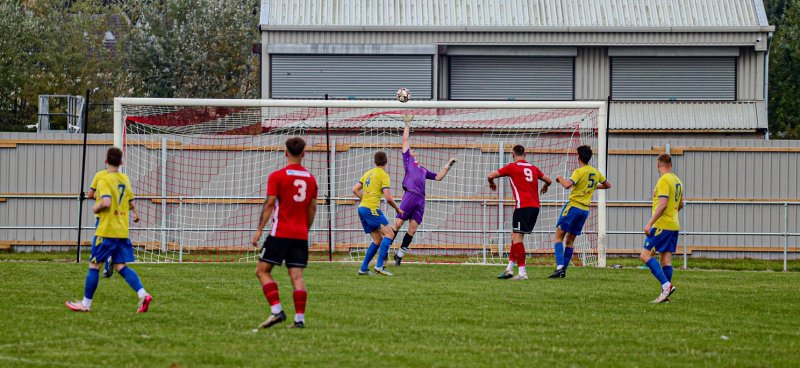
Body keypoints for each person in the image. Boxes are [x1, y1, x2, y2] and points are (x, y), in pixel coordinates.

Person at [66, 147, 150, 313]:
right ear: (121, 162)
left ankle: (85, 304)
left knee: (94, 265)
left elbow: (105, 202)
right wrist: (135, 213)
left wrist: (96, 208)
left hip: (106, 230)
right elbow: (131, 201)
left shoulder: (104, 179)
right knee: (120, 266)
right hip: (121, 230)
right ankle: (143, 294)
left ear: (106, 161)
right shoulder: (124, 179)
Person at [252, 137, 318, 329]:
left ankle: (276, 310)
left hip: (280, 232)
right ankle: (299, 320)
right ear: (304, 153)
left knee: (262, 271)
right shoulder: (311, 179)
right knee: (297, 276)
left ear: (285, 152)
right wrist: (306, 228)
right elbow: (312, 208)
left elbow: (270, 204)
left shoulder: (278, 176)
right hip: (300, 234)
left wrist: (258, 230)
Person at [391, 115, 456, 265]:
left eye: (413, 150)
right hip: (410, 195)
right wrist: (407, 124)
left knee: (412, 229)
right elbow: (405, 141)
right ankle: (384, 249)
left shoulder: (423, 170)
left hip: (420, 199)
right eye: (411, 150)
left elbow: (439, 177)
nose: (412, 150)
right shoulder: (408, 161)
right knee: (398, 223)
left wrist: (448, 165)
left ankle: (399, 255)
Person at [487, 144, 552, 280]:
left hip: (523, 207)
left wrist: (491, 183)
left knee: (517, 238)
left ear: (513, 154)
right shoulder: (533, 168)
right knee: (514, 235)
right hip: (535, 207)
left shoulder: (512, 167)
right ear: (525, 154)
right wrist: (545, 187)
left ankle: (522, 273)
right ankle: (509, 268)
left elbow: (490, 175)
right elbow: (549, 180)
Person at [548, 145, 612, 278]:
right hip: (584, 210)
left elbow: (567, 185)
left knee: (558, 237)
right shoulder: (595, 172)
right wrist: (593, 187)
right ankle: (563, 270)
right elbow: (608, 185)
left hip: (573, 207)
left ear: (578, 157)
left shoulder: (579, 171)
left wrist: (559, 178)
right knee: (570, 240)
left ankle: (560, 267)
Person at [640, 154, 683, 303]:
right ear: (670, 165)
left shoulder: (663, 180)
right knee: (666, 260)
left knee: (645, 256)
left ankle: (666, 286)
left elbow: (663, 204)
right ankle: (665, 295)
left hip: (662, 225)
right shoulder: (677, 180)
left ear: (658, 166)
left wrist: (650, 223)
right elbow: (680, 204)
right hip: (674, 225)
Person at [354, 151, 403, 276]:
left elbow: (354, 189)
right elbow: (387, 197)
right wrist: (397, 209)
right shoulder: (384, 175)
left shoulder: (368, 173)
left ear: (375, 162)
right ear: (386, 162)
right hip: (371, 209)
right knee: (390, 234)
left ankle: (363, 268)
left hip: (362, 208)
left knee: (377, 239)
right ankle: (379, 266)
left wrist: (364, 200)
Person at [88, 170, 114, 278]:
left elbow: (90, 194)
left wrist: (99, 198)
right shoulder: (120, 177)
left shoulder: (99, 175)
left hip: (101, 216)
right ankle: (109, 262)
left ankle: (97, 264)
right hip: (115, 216)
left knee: (99, 242)